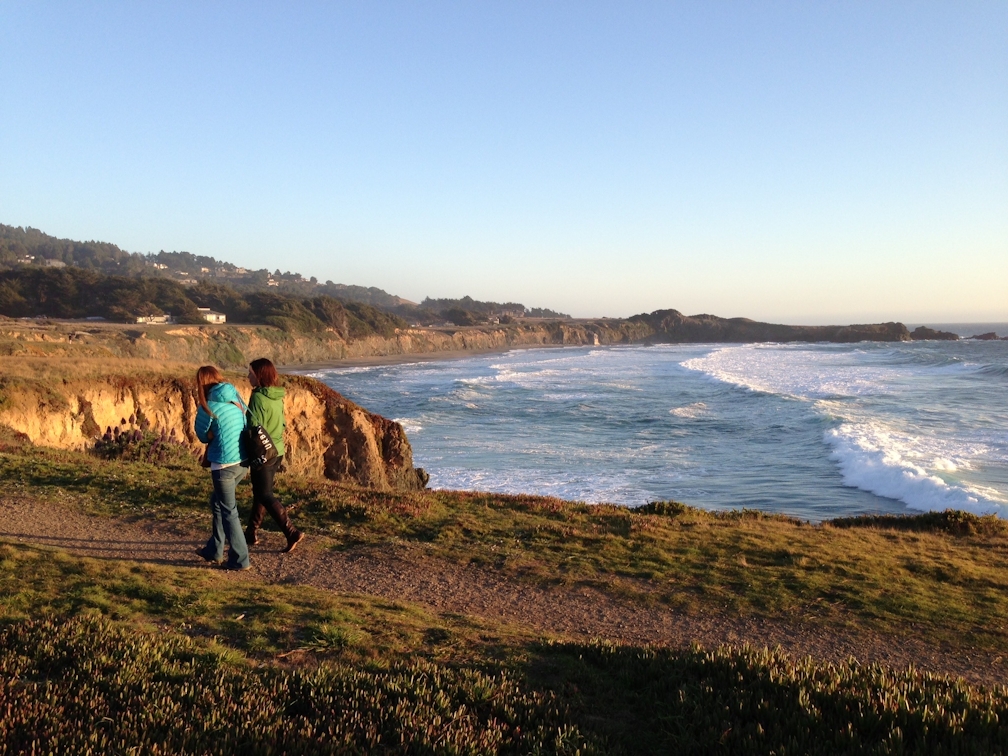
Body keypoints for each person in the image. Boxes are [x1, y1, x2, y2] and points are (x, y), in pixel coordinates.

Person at [194, 365, 251, 571]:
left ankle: (240, 559)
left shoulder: (207, 406)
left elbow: (202, 436)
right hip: (243, 461)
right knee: (217, 502)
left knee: (229, 511)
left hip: (224, 465)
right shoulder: (236, 398)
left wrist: (212, 435)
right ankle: (214, 550)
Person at [245, 357, 304, 553]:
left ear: (259, 375)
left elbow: (253, 427)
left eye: (251, 373)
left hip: (263, 451)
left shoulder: (257, 397)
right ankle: (251, 532)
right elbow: (283, 423)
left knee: (265, 494)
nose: (248, 377)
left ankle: (291, 532)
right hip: (277, 450)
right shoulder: (277, 395)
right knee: (261, 492)